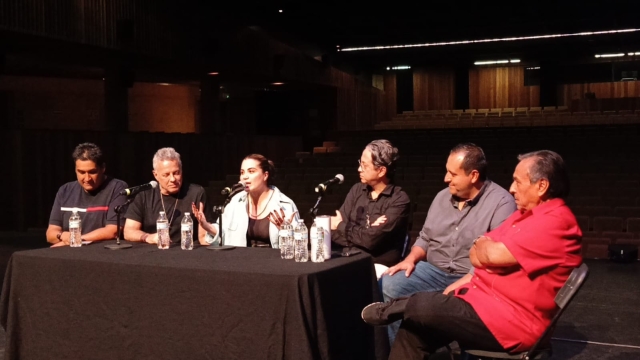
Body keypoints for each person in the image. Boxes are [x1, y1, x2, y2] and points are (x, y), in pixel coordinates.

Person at [362, 150, 582, 359]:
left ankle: (393, 309)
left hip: (510, 323)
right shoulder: (524, 216)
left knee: (423, 306)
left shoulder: (555, 222)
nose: (512, 188)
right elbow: (478, 252)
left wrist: (484, 248)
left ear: (542, 186)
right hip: (482, 304)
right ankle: (403, 308)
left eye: (518, 181)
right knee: (414, 329)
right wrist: (481, 249)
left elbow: (491, 254)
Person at [379, 143, 516, 344]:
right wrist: (410, 259)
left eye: (453, 174)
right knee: (389, 284)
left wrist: (464, 281)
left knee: (469, 303)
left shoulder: (501, 203)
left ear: (474, 176)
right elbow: (425, 237)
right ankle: (398, 351)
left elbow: (497, 258)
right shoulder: (441, 197)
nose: (446, 178)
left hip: (474, 277)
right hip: (433, 270)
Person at [330, 139, 410, 272]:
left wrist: (341, 225)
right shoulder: (357, 190)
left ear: (381, 171)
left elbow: (371, 241)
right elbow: (334, 234)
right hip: (348, 258)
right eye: (359, 163)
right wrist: (364, 234)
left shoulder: (399, 200)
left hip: (377, 266)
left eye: (365, 165)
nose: (359, 169)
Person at [193, 154, 299, 247]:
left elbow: (298, 244)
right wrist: (206, 225)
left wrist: (285, 230)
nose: (245, 177)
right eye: (242, 172)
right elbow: (223, 232)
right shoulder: (235, 201)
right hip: (241, 263)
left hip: (274, 266)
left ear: (265, 175)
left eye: (251, 171)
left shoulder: (285, 205)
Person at [124, 147, 211, 245]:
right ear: (155, 175)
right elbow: (129, 231)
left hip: (186, 253)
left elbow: (204, 238)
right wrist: (148, 237)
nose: (173, 179)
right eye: (166, 175)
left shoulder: (196, 193)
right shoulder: (143, 195)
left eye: (176, 173)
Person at [46, 143, 128, 247]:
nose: (87, 178)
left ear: (102, 168)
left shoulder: (117, 188)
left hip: (100, 252)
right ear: (75, 169)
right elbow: (50, 235)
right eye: (81, 172)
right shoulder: (65, 190)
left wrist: (75, 240)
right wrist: (62, 236)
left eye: (92, 172)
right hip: (67, 252)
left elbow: (113, 230)